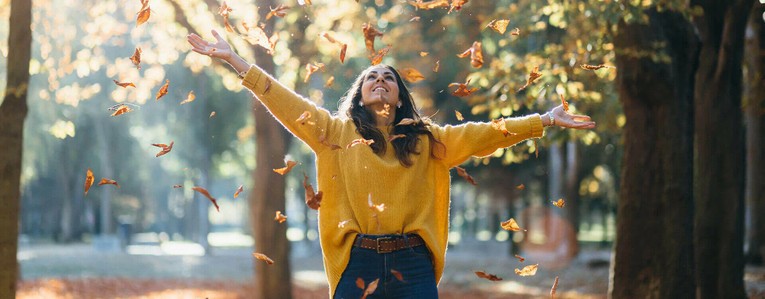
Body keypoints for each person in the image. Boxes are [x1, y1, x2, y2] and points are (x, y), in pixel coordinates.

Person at [187, 30, 595, 299]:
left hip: (413, 264)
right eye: (370, 77)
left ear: (399, 95)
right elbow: (284, 101)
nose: (379, 80)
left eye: (388, 77)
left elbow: (484, 132)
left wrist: (541, 120)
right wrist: (234, 60)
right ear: (360, 94)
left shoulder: (428, 138)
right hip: (356, 261)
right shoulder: (334, 133)